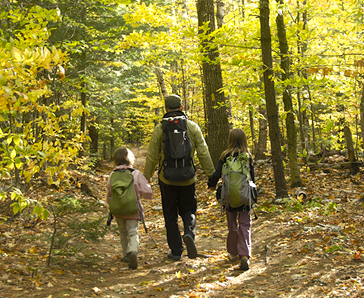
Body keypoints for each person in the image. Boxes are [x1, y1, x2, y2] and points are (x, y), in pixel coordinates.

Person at [144, 94, 215, 260]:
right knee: (189, 210)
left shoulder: (160, 129)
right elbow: (203, 152)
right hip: (188, 178)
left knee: (170, 215)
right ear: (181, 107)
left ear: (166, 109)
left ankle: (176, 251)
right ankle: (189, 233)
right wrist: (211, 176)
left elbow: (152, 157)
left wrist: (144, 180)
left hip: (166, 179)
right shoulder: (192, 127)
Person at [208, 128, 255, 271]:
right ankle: (245, 254)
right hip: (245, 196)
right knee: (245, 224)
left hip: (228, 196)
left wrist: (211, 185)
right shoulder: (248, 156)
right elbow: (252, 178)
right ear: (244, 139)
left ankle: (233, 253)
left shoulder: (225, 155)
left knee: (232, 225)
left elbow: (216, 174)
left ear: (230, 139)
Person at [106, 147, 153, 269]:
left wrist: (112, 206)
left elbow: (109, 194)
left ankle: (126, 255)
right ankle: (133, 251)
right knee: (133, 232)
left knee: (123, 232)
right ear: (130, 159)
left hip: (118, 210)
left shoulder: (112, 175)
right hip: (133, 209)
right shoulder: (135, 174)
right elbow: (147, 193)